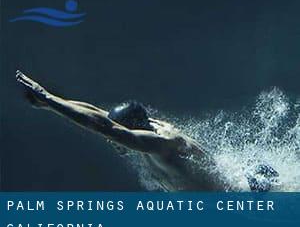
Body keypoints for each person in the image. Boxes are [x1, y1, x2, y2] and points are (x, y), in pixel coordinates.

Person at [15, 70, 277, 191]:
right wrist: (51, 103)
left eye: (115, 136)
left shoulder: (161, 144)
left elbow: (105, 127)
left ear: (132, 130)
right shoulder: (146, 129)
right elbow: (99, 116)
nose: (111, 141)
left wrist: (48, 99)